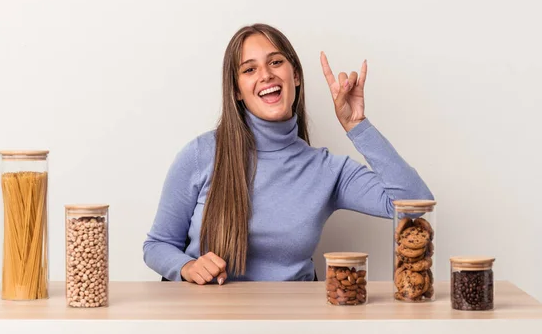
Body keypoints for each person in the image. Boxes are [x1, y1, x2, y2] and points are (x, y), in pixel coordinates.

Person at [143, 23, 434, 285]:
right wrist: (187, 266)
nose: (266, 74)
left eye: (275, 62)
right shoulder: (201, 154)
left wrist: (357, 126)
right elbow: (157, 245)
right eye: (249, 69)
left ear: (294, 75)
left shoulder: (327, 169)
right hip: (210, 317)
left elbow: (414, 203)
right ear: (237, 92)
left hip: (294, 319)